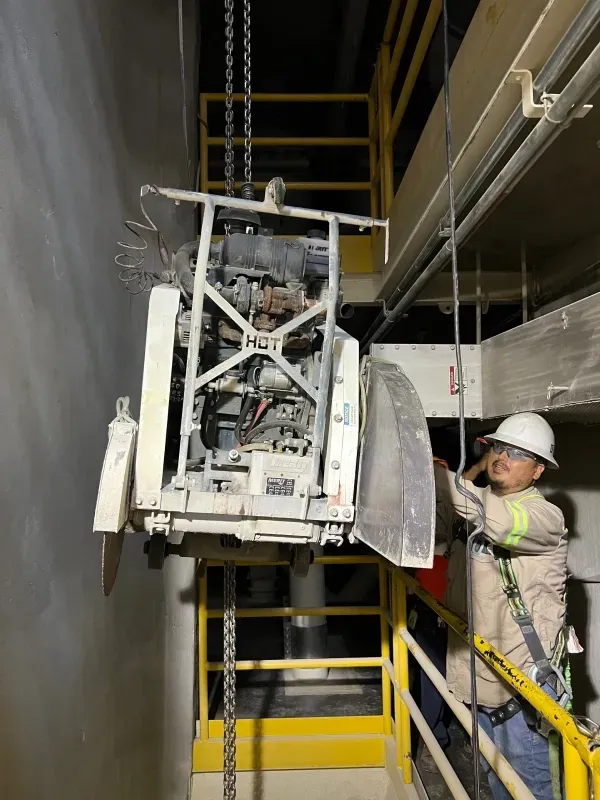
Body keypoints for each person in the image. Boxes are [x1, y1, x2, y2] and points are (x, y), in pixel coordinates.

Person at [433, 412, 568, 800]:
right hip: (478, 676)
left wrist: (441, 477)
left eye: (518, 454)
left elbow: (495, 521)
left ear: (538, 471)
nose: (503, 456)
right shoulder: (472, 506)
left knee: (533, 788)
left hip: (522, 685)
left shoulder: (545, 518)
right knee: (496, 781)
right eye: (499, 447)